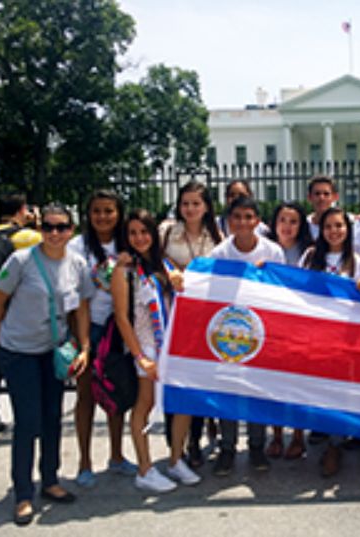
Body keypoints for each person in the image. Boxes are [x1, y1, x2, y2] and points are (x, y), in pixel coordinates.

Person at [0, 203, 93, 525]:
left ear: (71, 230)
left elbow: (81, 310)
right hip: (20, 352)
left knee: (51, 419)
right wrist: (4, 334)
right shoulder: (22, 260)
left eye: (61, 227)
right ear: (40, 229)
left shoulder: (76, 264)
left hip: (53, 350)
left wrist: (84, 346)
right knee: (28, 421)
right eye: (48, 227)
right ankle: (22, 492)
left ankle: (50, 479)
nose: (55, 233)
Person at [112, 209, 201, 493]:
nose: (139, 238)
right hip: (147, 346)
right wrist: (140, 356)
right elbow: (122, 318)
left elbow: (188, 282)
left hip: (174, 345)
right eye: (133, 233)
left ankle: (176, 459)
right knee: (145, 405)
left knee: (182, 402)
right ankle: (145, 469)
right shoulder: (124, 270)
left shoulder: (163, 263)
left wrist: (178, 278)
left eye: (144, 231)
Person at [209, 196, 286, 476]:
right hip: (229, 329)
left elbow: (281, 291)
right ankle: (227, 448)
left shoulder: (273, 251)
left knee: (257, 389)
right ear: (229, 222)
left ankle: (256, 446)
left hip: (261, 331)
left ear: (257, 221)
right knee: (227, 389)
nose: (242, 223)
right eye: (237, 217)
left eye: (248, 217)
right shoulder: (219, 254)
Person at [68, 190, 137, 488]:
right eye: (97, 211)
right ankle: (84, 462)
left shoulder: (128, 242)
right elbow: (72, 296)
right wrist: (80, 339)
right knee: (85, 396)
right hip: (90, 327)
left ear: (119, 213)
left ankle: (117, 456)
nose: (103, 216)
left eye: (109, 210)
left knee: (116, 393)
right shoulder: (78, 246)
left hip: (120, 328)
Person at [300, 206, 360, 477]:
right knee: (319, 388)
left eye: (339, 226)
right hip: (317, 335)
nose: (334, 231)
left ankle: (335, 446)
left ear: (348, 229)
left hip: (345, 336)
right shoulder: (309, 256)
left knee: (340, 390)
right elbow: (297, 290)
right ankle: (322, 433)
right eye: (329, 226)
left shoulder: (358, 262)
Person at [160, 181, 223, 469]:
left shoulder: (218, 238)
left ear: (206, 206)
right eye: (185, 203)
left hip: (203, 321)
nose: (190, 209)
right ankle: (175, 444)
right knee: (172, 381)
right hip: (170, 315)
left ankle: (195, 441)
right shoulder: (166, 233)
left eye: (196, 203)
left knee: (196, 382)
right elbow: (153, 263)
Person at [0, 192, 41, 439]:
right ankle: (28, 419)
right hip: (18, 310)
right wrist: (36, 225)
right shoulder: (26, 236)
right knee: (22, 365)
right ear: (22, 209)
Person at [264, 201, 314, 460]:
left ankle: (297, 436)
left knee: (297, 383)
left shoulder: (309, 252)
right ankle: (275, 434)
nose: (287, 226)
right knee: (274, 382)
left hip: (299, 327)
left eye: (293, 221)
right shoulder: (265, 249)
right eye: (282, 220)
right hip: (271, 326)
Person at [306, 175, 340, 240]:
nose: (321, 198)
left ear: (335, 197)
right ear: (309, 197)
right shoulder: (303, 226)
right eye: (317, 194)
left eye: (326, 194)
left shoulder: (348, 222)